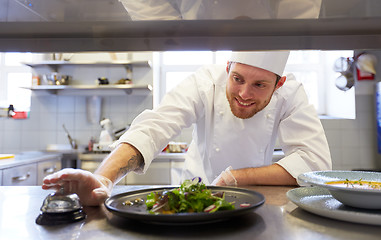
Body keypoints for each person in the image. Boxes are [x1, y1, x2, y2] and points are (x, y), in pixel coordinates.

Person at [42, 51, 332, 206]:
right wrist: (104, 179)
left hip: (255, 200)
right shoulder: (205, 81)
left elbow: (314, 163)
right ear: (228, 66)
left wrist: (237, 177)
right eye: (238, 78)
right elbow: (154, 127)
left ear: (278, 84)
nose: (244, 93)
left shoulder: (291, 93)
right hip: (194, 191)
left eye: (259, 85)